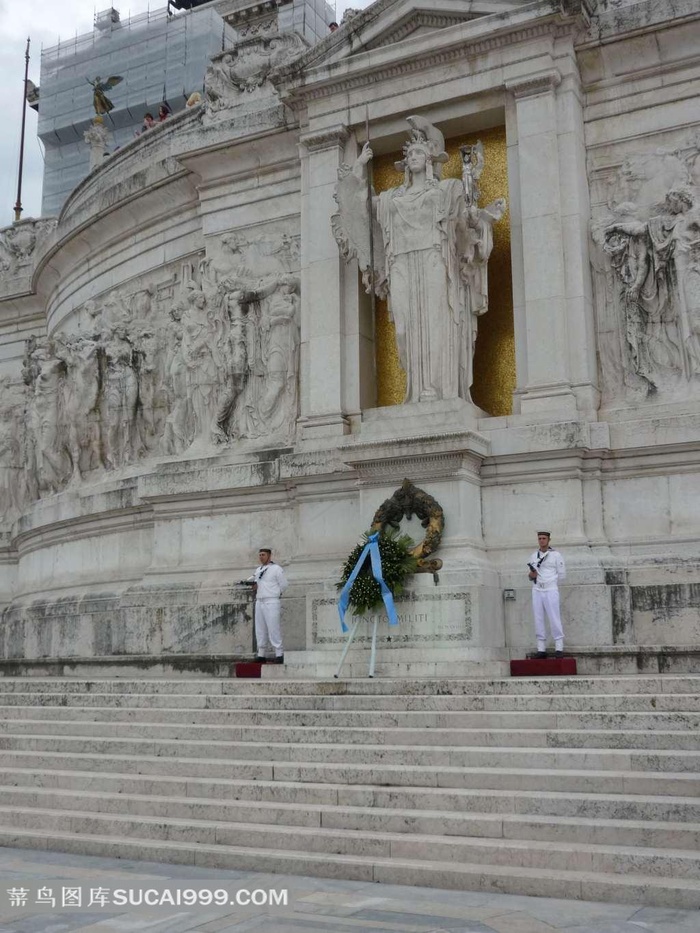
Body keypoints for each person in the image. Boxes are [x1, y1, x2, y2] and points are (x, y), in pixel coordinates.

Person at [527, 531, 566, 658]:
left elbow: (562, 575)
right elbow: (530, 575)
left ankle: (559, 647)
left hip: (550, 589)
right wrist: (532, 575)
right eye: (539, 538)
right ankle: (541, 649)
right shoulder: (534, 556)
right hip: (537, 588)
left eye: (544, 538)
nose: (542, 540)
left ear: (549, 540)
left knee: (554, 617)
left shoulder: (556, 555)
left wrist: (551, 582)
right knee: (538, 618)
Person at [249, 548, 288, 663]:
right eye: (260, 555)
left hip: (271, 600)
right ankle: (261, 654)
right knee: (260, 628)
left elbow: (284, 584)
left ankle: (279, 653)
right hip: (259, 600)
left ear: (269, 556)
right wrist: (255, 587)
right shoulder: (258, 570)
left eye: (263, 555)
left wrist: (276, 593)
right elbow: (257, 583)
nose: (261, 557)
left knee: (273, 627)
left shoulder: (276, 569)